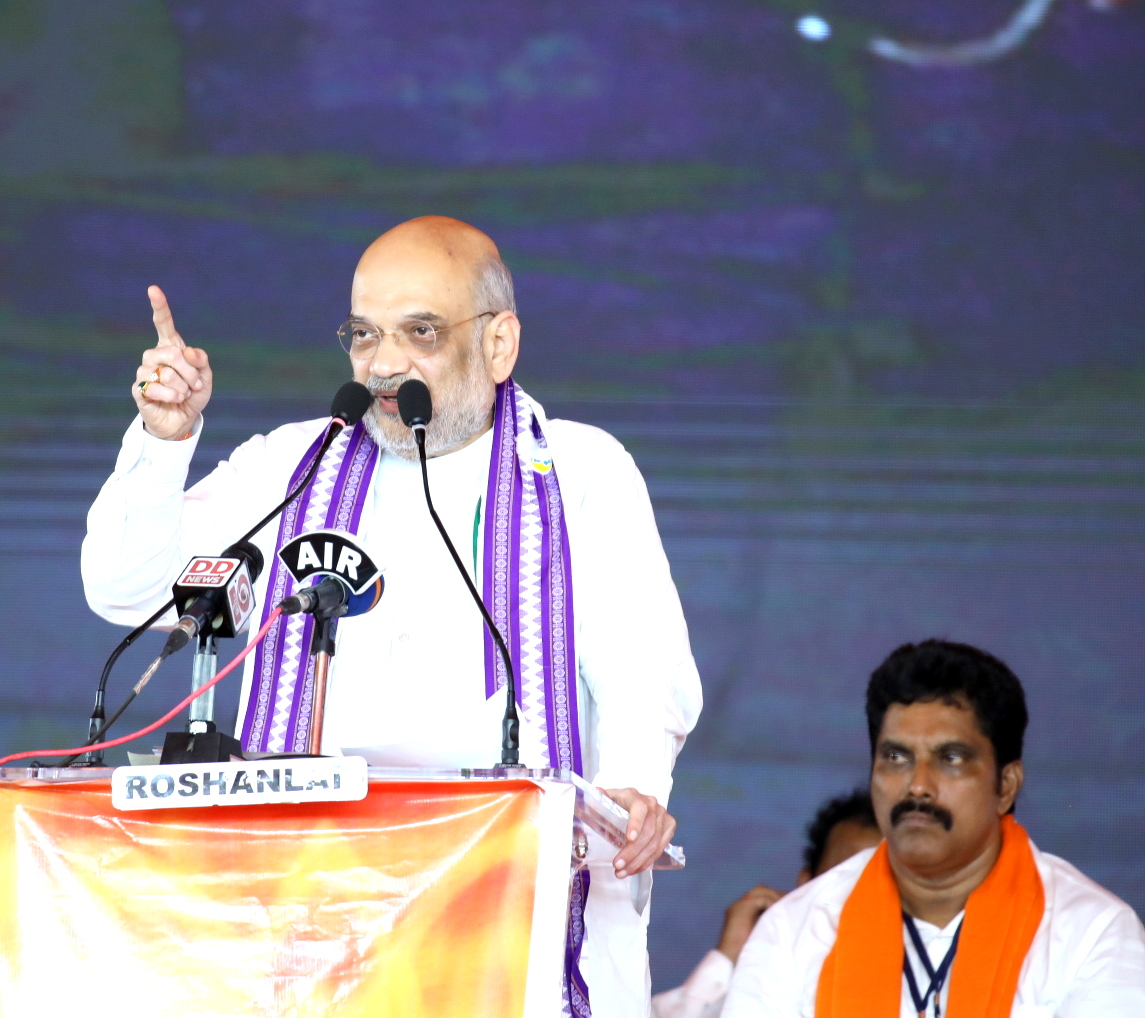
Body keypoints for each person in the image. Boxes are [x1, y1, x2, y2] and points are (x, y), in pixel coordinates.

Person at [82, 215, 703, 1013]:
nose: (383, 364)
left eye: (420, 332)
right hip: (322, 918)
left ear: (500, 343)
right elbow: (126, 593)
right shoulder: (292, 468)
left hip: (519, 912)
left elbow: (641, 671)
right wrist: (165, 442)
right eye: (363, 334)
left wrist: (631, 787)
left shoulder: (580, 472)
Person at [722, 640, 1145, 1017]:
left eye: (951, 759)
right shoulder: (793, 932)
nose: (918, 785)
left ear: (1006, 786)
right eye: (896, 758)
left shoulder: (1092, 932)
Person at [652, 789, 882, 1018]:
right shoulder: (771, 971)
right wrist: (729, 958)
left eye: (879, 885)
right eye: (842, 881)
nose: (860, 902)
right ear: (806, 885)